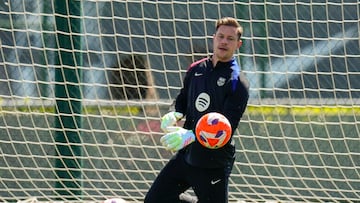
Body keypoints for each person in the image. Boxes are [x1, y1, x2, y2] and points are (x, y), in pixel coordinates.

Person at [144, 17, 249, 203]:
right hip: (186, 156)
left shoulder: (238, 82)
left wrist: (191, 135)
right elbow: (183, 98)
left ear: (238, 44)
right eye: (221, 36)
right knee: (155, 200)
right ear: (213, 38)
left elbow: (227, 128)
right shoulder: (195, 69)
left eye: (230, 39)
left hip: (213, 162)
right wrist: (174, 112)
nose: (224, 41)